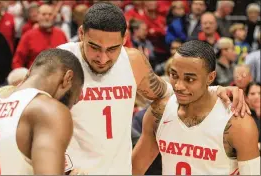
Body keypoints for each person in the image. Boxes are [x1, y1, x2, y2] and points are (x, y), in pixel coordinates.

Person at [58, 2, 250, 175]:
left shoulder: (132, 61)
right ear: (82, 33)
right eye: (94, 47)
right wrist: (64, 166)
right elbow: (31, 113)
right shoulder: (58, 62)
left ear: (125, 38)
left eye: (112, 49)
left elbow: (171, 92)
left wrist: (213, 90)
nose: (103, 58)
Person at [132, 40, 260, 175]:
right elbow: (135, 169)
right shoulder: (158, 112)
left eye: (190, 79)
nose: (179, 86)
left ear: (210, 77)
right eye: (174, 75)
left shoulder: (237, 123)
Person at [0, 48, 84, 175]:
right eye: (73, 101)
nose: (69, 108)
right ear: (67, 78)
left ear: (30, 72)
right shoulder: (47, 109)